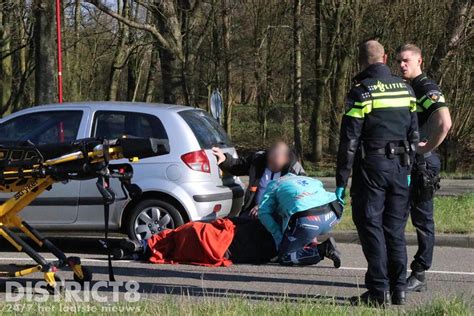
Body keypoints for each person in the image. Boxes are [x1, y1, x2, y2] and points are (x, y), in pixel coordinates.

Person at [335, 40, 419, 306]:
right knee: (395, 229)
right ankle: (399, 290)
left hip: (372, 167)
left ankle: (377, 291)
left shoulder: (362, 92)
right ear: (384, 57)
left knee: (371, 225)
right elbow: (414, 135)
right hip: (401, 166)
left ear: (362, 61)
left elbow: (348, 141)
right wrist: (408, 168)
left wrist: (341, 182)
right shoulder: (406, 89)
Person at [396, 44, 452, 292]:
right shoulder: (406, 87)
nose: (401, 65)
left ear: (420, 60)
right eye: (398, 61)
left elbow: (445, 122)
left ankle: (419, 273)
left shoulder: (426, 88)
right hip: (407, 163)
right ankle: (396, 273)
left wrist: (425, 147)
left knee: (422, 219)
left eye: (406, 60)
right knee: (398, 216)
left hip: (422, 164)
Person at [258, 174, 342, 267]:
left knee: (285, 257)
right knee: (302, 227)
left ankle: (323, 249)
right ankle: (309, 243)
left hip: (308, 220)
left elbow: (263, 213)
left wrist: (279, 238)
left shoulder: (273, 184)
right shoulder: (311, 179)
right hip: (332, 215)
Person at [212, 141, 305, 217]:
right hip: (252, 211)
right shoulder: (258, 159)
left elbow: (301, 196)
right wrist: (225, 159)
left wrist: (266, 207)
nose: (274, 165)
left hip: (280, 214)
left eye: (278, 162)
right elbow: (238, 165)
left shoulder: (294, 169)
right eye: (271, 160)